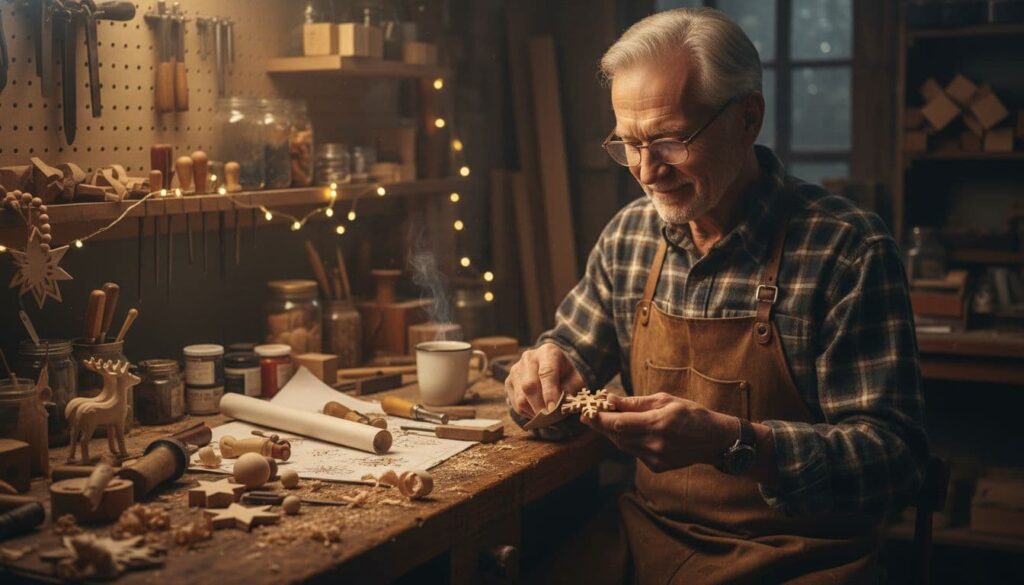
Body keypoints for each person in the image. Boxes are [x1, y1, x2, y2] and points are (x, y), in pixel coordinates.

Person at [504, 7, 928, 583]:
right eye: (628, 143)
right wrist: (540, 379)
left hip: (798, 556)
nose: (646, 171)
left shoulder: (847, 250)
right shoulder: (629, 236)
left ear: (747, 117)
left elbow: (894, 462)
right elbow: (567, 363)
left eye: (669, 141)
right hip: (647, 539)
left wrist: (735, 443)